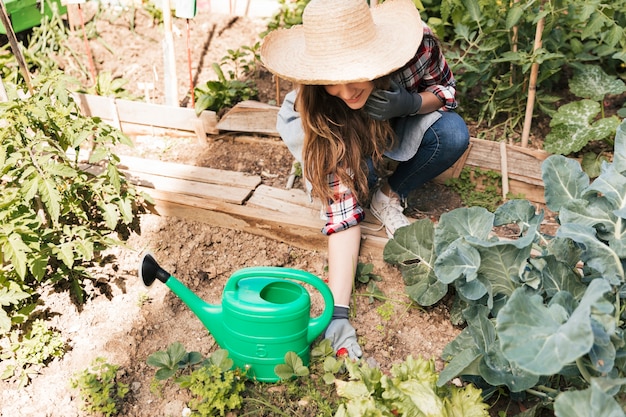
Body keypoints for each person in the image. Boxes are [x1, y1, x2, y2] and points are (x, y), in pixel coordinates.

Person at [259, 0, 469, 359]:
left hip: (394, 110)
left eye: (354, 75)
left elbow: (446, 91)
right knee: (353, 181)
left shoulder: (416, 47)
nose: (346, 90)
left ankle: (388, 193)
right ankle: (355, 171)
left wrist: (409, 104)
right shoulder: (320, 106)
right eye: (332, 82)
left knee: (452, 134)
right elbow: (342, 210)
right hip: (336, 129)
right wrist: (337, 313)